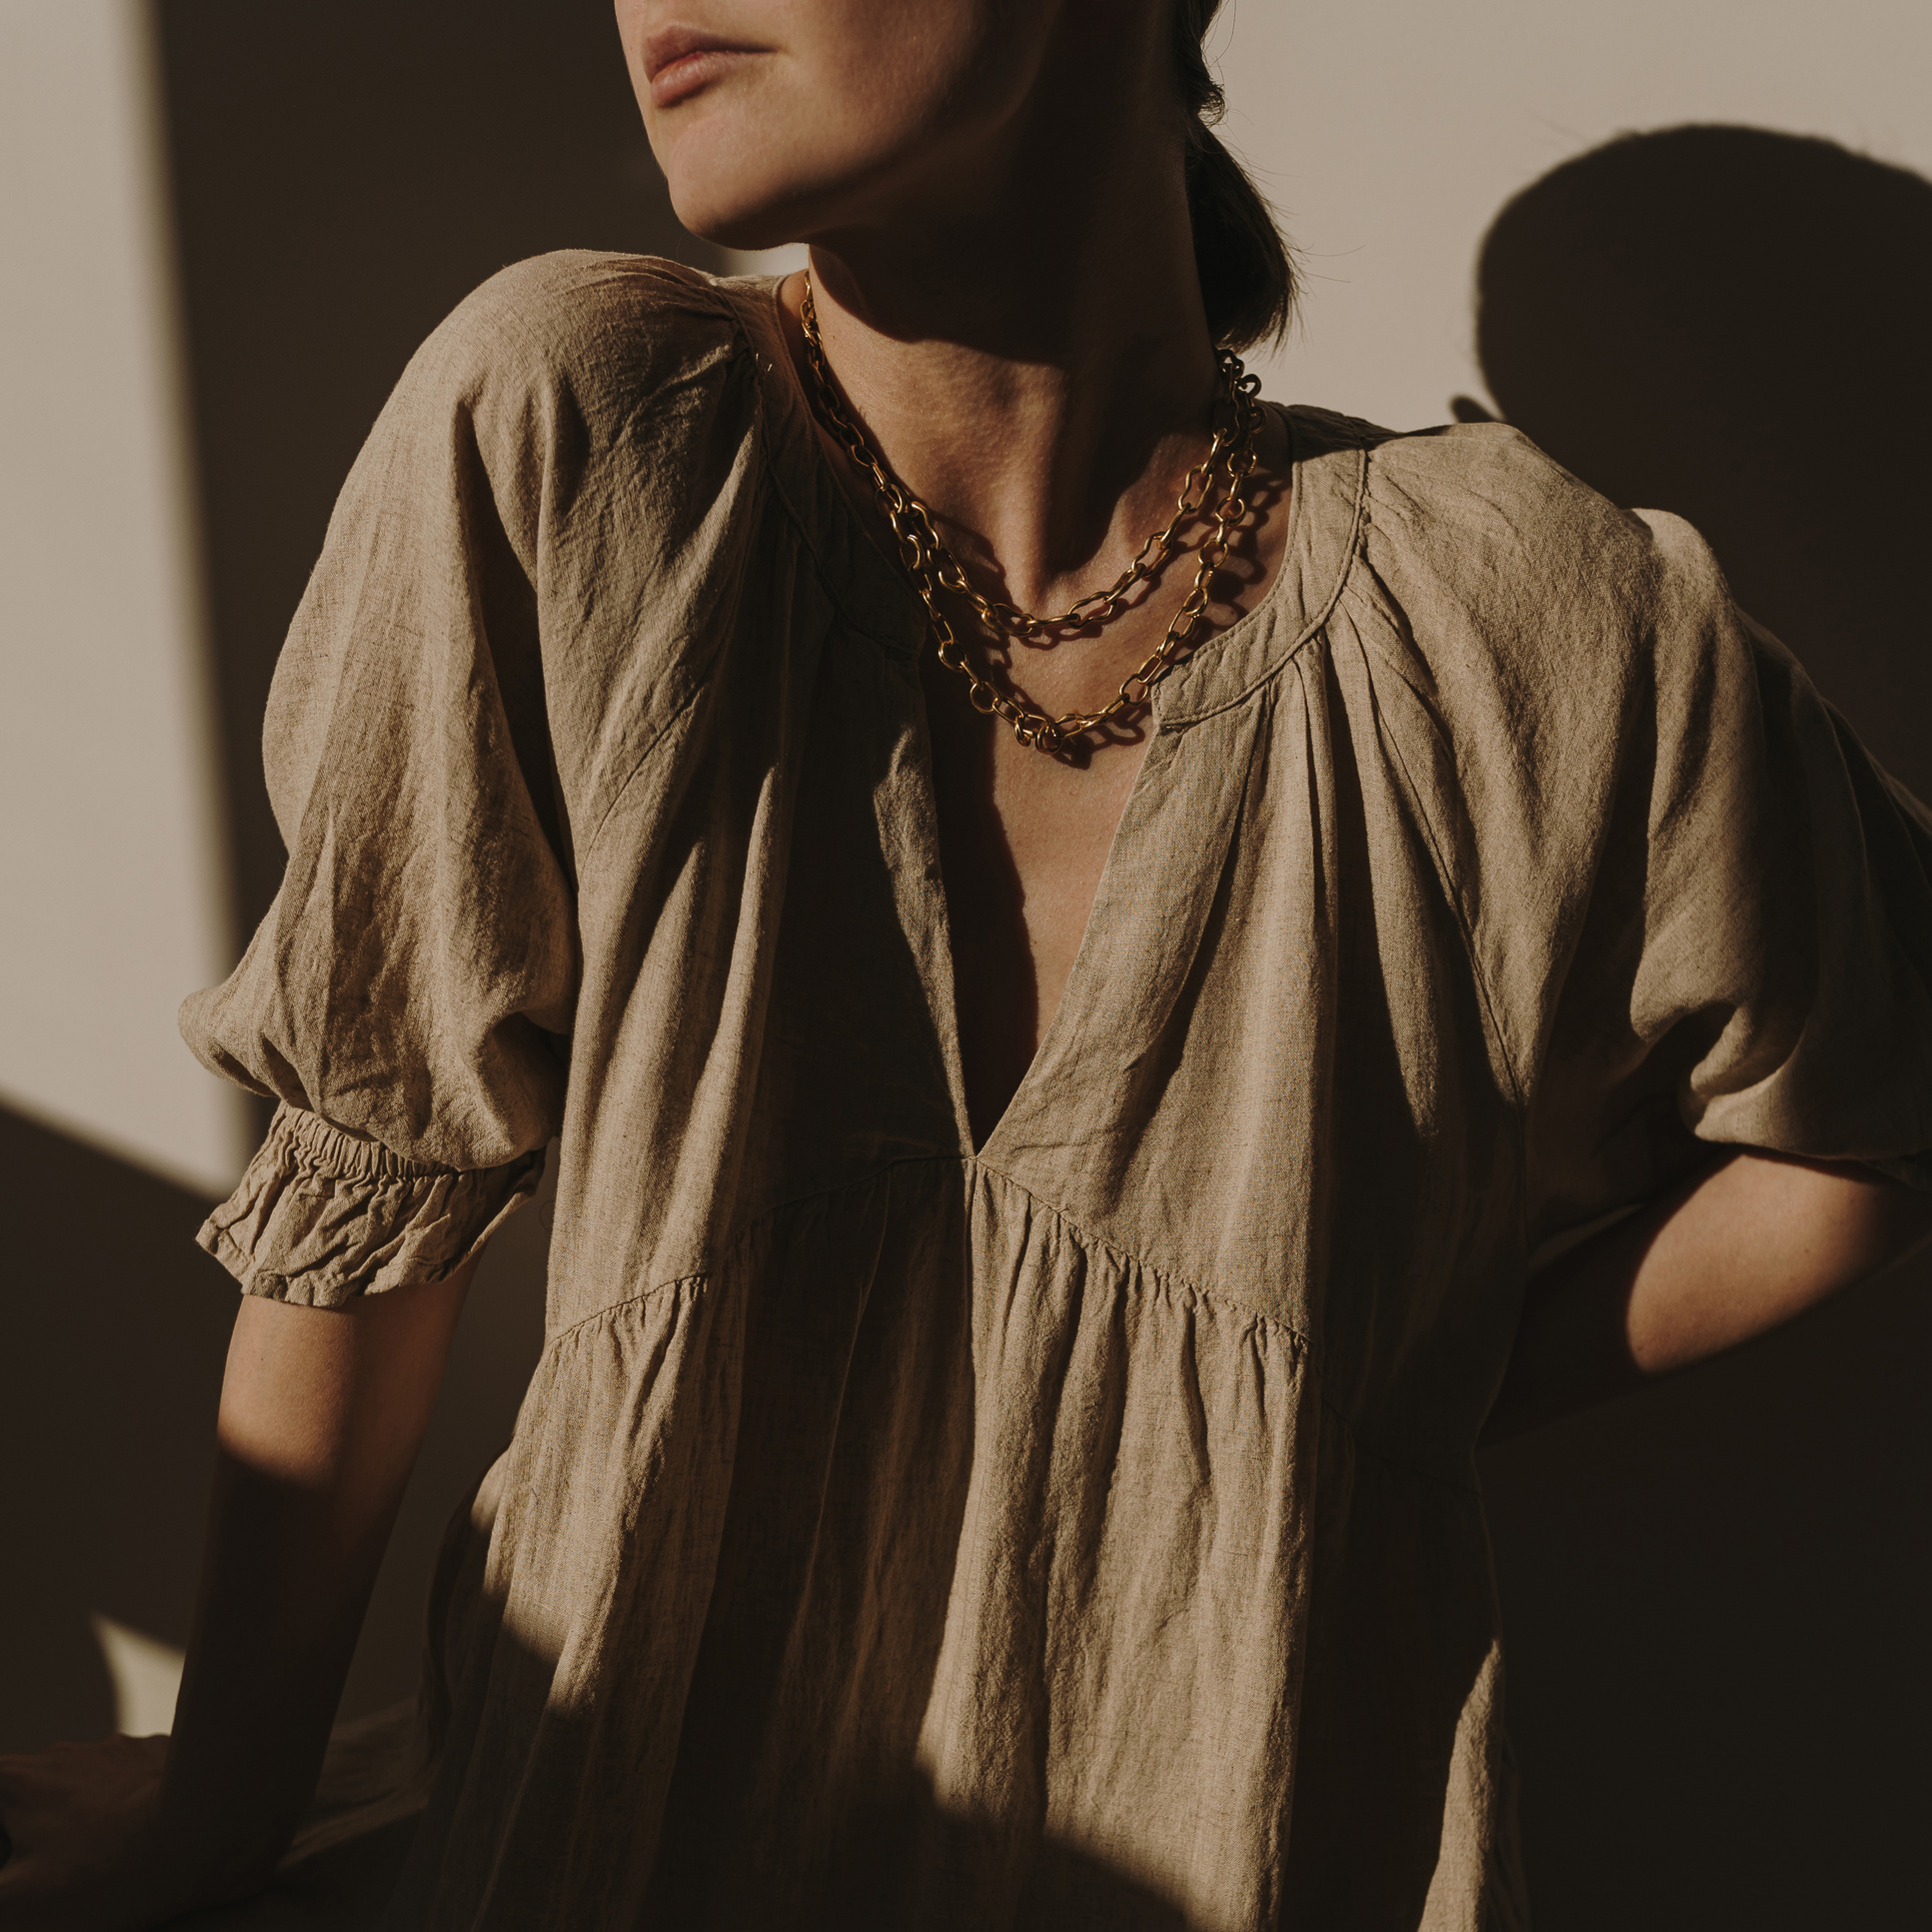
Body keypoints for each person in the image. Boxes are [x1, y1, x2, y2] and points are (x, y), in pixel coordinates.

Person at [5, 1, 1932, 1925]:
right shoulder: (599, 431)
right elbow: (382, 1169)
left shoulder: (1517, 621)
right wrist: (219, 1810)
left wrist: (1369, 1371)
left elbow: (1868, 1131)